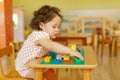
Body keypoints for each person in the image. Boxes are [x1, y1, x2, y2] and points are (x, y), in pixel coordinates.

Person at [15, 5, 84, 80]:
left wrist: (62, 51)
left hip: (36, 63)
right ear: (41, 25)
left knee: (51, 72)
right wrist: (70, 51)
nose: (57, 30)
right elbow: (51, 46)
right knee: (40, 76)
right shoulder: (38, 35)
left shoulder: (46, 36)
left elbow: (50, 48)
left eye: (59, 27)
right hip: (25, 68)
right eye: (54, 27)